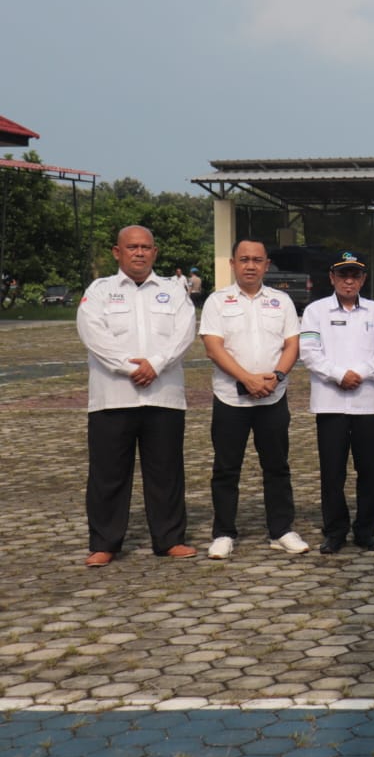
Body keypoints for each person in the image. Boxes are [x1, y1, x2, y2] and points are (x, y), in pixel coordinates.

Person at [76, 225, 198, 567]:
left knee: (166, 472)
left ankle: (170, 539)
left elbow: (184, 332)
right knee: (108, 474)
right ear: (118, 252)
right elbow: (92, 334)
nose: (140, 253)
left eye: (146, 247)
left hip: (164, 396)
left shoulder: (174, 291)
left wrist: (156, 364)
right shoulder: (99, 291)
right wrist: (131, 369)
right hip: (112, 397)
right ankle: (105, 543)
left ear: (155, 253)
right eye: (132, 247)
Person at [199, 238, 307, 559]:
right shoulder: (218, 301)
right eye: (243, 259)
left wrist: (277, 376)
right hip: (231, 398)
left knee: (276, 467)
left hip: (273, 397)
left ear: (266, 264)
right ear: (232, 263)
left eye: (257, 260)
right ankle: (223, 533)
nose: (250, 265)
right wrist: (246, 378)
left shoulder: (282, 301)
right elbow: (213, 346)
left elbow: (292, 344)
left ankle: (281, 530)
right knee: (226, 469)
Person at [300, 251, 374, 554]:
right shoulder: (315, 311)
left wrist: (360, 374)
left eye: (355, 275)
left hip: (367, 402)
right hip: (330, 402)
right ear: (332, 278)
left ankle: (366, 531)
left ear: (363, 279)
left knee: (368, 471)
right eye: (343, 275)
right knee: (332, 471)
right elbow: (309, 352)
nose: (349, 281)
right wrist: (339, 375)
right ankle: (335, 530)